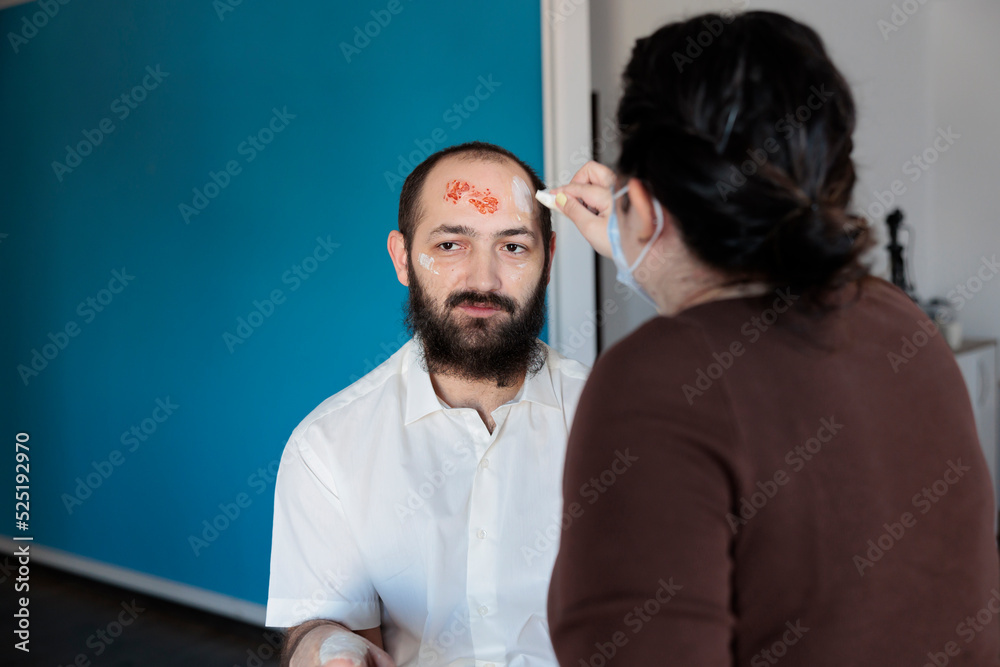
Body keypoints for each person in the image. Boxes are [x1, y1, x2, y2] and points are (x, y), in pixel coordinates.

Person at [545, 11, 1000, 665]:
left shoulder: (653, 383)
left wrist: (647, 242)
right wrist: (650, 242)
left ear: (642, 206)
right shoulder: (901, 326)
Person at [265, 141, 591, 667]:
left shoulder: (618, 422)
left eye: (512, 247)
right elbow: (329, 624)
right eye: (450, 246)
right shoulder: (326, 445)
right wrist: (327, 648)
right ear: (402, 258)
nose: (482, 280)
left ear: (548, 260)